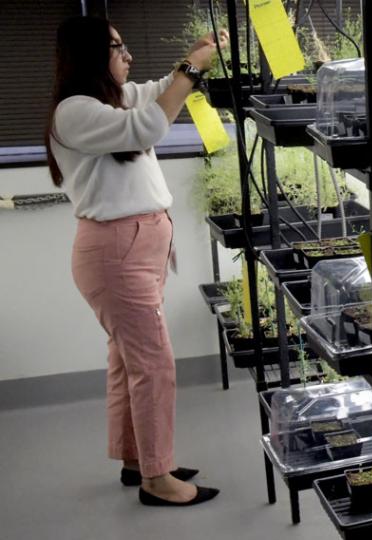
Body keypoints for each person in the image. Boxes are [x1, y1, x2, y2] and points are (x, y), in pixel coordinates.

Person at [45, 16, 228, 507]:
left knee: (130, 361)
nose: (128, 55)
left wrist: (196, 54)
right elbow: (149, 124)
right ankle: (157, 478)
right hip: (116, 254)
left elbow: (155, 92)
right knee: (153, 364)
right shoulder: (75, 111)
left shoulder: (111, 99)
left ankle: (136, 460)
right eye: (116, 47)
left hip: (133, 250)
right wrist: (193, 66)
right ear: (87, 56)